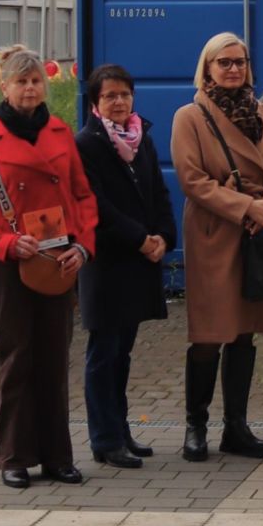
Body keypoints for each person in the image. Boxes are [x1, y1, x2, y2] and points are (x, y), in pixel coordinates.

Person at [0, 44, 96, 489]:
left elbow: (83, 196)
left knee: (53, 358)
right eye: (21, 81)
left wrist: (83, 247)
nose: (30, 87)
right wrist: (5, 243)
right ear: (5, 86)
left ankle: (57, 456)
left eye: (36, 80)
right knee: (13, 356)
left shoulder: (60, 133)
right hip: (10, 262)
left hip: (57, 259)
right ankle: (14, 455)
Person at [170, 32, 263, 462]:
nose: (233, 69)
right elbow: (192, 180)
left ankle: (236, 428)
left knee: (244, 332)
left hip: (258, 232)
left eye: (239, 61)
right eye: (223, 62)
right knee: (210, 334)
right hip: (216, 236)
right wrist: (248, 207)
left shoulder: (261, 111)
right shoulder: (189, 116)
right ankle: (195, 426)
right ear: (207, 68)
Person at [74, 63, 176, 469]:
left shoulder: (141, 138)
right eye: (110, 96)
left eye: (125, 94)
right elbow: (95, 205)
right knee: (103, 353)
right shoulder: (86, 144)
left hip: (139, 260)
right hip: (108, 262)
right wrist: (140, 238)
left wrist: (165, 237)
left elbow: (159, 192)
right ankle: (104, 438)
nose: (119, 102)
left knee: (124, 353)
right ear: (96, 103)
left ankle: (121, 430)